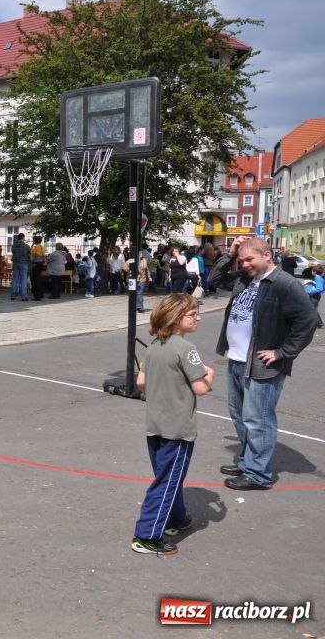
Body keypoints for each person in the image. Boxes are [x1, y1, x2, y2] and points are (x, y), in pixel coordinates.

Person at [207, 236, 318, 490]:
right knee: (240, 416)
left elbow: (308, 320)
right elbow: (214, 281)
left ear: (267, 255)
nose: (245, 264)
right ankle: (248, 461)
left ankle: (258, 474)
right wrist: (230, 254)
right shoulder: (246, 278)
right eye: (242, 260)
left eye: (250, 259)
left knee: (258, 419)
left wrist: (283, 352)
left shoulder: (284, 283)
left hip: (261, 365)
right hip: (236, 359)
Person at [131, 294, 215, 556]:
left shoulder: (155, 345)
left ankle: (176, 518)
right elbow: (201, 387)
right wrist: (210, 372)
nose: (198, 317)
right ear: (177, 318)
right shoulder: (186, 349)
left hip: (155, 425)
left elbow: (141, 383)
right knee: (166, 481)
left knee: (168, 478)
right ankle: (146, 535)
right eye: (193, 314)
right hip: (177, 428)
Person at [11, 233, 31, 301]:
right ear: (23, 238)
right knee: (23, 280)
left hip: (16, 263)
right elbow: (29, 255)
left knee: (15, 279)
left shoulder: (13, 246)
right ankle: (24, 296)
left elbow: (13, 253)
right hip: (24, 263)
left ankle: (13, 295)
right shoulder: (26, 246)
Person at [30, 235, 47, 301]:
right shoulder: (42, 247)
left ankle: (36, 296)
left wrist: (32, 245)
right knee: (39, 280)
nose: (33, 241)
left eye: (33, 240)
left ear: (35, 241)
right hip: (41, 265)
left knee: (34, 281)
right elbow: (43, 256)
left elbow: (31, 253)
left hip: (36, 265)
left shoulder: (36, 247)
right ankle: (40, 294)